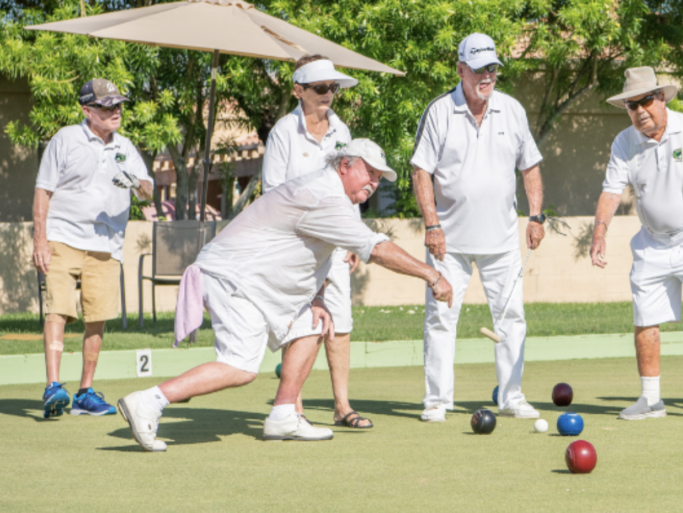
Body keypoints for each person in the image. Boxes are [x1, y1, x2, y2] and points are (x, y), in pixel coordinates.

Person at [117, 140, 453, 451]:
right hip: (234, 278)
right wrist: (432, 275)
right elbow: (375, 248)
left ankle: (283, 415)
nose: (373, 184)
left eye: (379, 179)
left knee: (313, 322)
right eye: (369, 173)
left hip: (254, 283)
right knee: (240, 366)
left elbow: (309, 252)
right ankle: (150, 400)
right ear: (344, 166)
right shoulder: (324, 195)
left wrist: (317, 298)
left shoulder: (329, 195)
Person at [590, 67, 683, 422]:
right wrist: (600, 232)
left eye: (646, 100)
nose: (640, 110)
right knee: (645, 317)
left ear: (661, 98)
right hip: (652, 242)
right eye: (632, 104)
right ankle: (650, 399)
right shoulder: (624, 142)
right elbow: (611, 191)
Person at [410, 33, 546, 422]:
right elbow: (421, 171)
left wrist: (536, 215)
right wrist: (432, 225)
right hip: (447, 242)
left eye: (493, 68)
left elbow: (530, 166)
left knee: (512, 317)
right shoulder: (438, 111)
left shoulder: (513, 110)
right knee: (440, 318)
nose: (487, 76)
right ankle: (437, 400)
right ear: (460, 70)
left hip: (501, 239)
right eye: (479, 68)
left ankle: (512, 396)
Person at [33, 78, 153, 419]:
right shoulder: (65, 139)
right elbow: (43, 191)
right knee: (58, 309)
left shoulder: (126, 147)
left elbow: (148, 191)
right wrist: (40, 240)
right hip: (62, 236)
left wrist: (135, 182)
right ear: (88, 110)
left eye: (118, 105)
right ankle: (53, 387)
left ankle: (85, 392)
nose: (116, 111)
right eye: (107, 106)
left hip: (107, 245)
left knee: (97, 318)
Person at [263, 55, 372, 429]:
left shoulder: (342, 131)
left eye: (333, 88)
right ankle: (294, 408)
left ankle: (342, 406)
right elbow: (274, 193)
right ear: (299, 90)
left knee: (339, 322)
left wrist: (353, 236)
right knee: (303, 324)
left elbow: (352, 185)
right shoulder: (282, 132)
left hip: (336, 242)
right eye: (321, 88)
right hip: (296, 245)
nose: (329, 94)